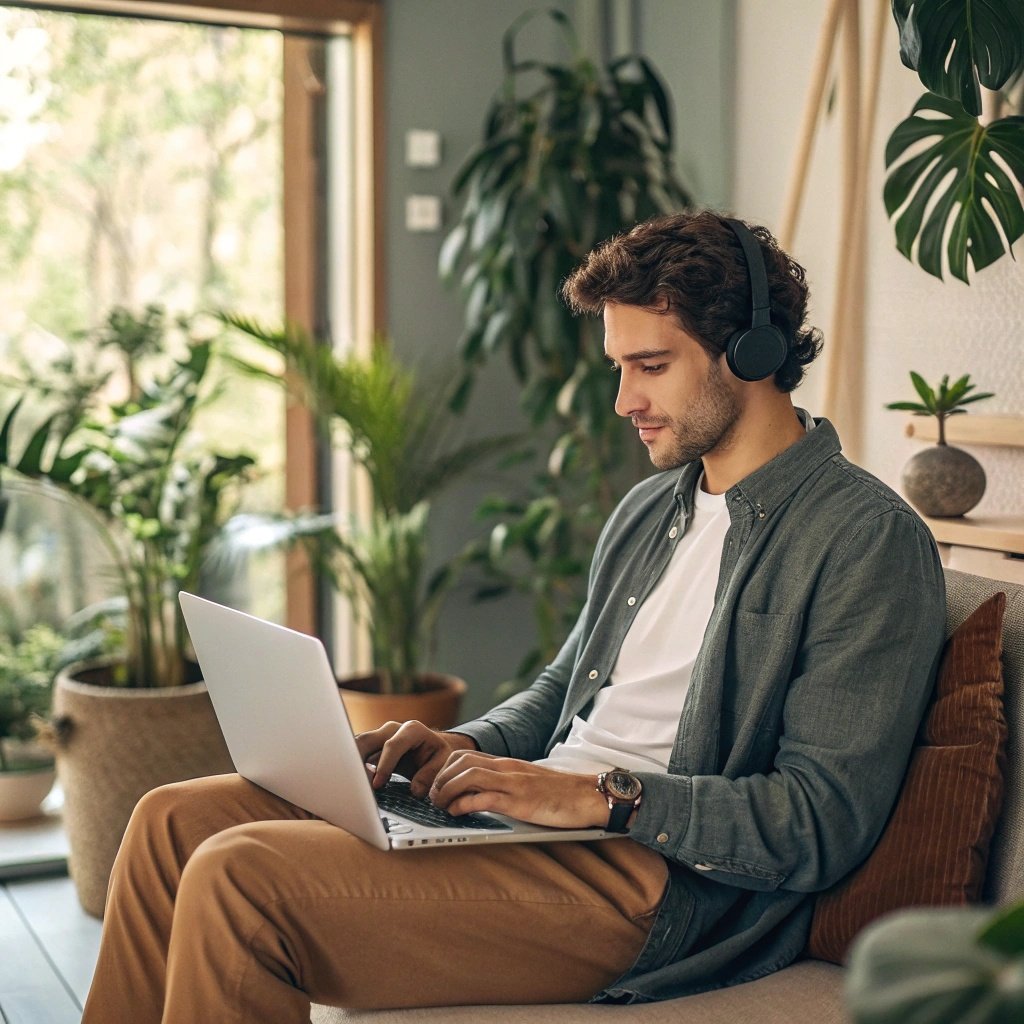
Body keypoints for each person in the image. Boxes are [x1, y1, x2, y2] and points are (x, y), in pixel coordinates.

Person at [82, 211, 946, 1023]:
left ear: (749, 354)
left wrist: (598, 798)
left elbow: (818, 822)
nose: (624, 401)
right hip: (538, 831)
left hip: (655, 884)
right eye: (619, 368)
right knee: (170, 820)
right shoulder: (654, 511)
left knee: (242, 875)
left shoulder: (866, 540)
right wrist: (470, 747)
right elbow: (563, 690)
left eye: (651, 366)